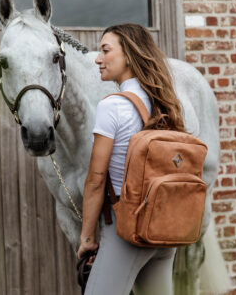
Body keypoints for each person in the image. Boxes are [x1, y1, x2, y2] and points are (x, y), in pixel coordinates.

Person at [77, 23, 186, 295]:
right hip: (165, 230)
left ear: (128, 55)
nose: (98, 59)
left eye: (105, 50)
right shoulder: (163, 101)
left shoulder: (112, 105)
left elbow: (96, 179)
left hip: (127, 233)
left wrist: (88, 237)